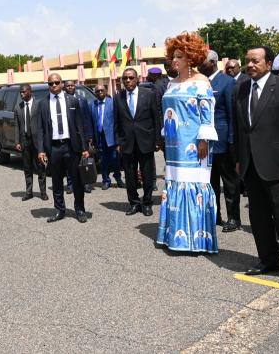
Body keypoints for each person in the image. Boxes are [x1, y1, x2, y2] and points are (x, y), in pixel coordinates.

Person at [234, 45, 279, 284]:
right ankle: (269, 260)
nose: (250, 65)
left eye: (255, 61)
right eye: (248, 60)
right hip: (251, 166)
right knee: (259, 218)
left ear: (268, 63)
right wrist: (239, 159)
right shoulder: (241, 88)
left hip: (278, 165)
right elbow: (240, 128)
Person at [155, 33, 219, 253]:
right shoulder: (172, 83)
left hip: (194, 145)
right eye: (173, 56)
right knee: (175, 182)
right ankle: (173, 236)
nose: (174, 60)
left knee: (194, 185)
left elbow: (207, 114)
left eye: (179, 56)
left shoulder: (201, 82)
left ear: (191, 58)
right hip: (174, 145)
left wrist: (203, 140)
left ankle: (196, 240)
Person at [33, 73, 90, 223]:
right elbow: (40, 129)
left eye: (56, 82)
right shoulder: (43, 104)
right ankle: (60, 210)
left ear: (62, 83)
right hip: (53, 148)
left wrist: (84, 147)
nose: (54, 85)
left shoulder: (72, 100)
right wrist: (41, 150)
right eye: (50, 83)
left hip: (71, 146)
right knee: (57, 181)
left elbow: (79, 125)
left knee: (77, 180)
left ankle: (80, 209)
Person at [198, 50, 240, 232]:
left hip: (222, 141)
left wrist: (232, 141)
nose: (199, 64)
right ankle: (215, 215)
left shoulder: (227, 82)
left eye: (203, 61)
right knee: (210, 182)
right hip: (204, 142)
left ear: (213, 62)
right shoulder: (199, 82)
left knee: (229, 182)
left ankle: (233, 218)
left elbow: (232, 114)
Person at [115, 68, 161, 216]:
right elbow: (115, 122)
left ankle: (147, 203)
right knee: (130, 175)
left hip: (145, 140)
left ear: (137, 79)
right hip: (127, 142)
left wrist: (157, 140)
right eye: (125, 78)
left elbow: (156, 118)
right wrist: (117, 142)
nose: (128, 81)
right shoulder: (118, 97)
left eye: (131, 78)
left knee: (147, 174)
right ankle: (134, 203)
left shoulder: (148, 94)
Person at [13, 84, 48, 201]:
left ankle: (43, 192)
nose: (21, 94)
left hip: (37, 141)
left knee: (40, 167)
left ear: (30, 92)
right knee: (27, 168)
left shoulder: (39, 105)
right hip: (25, 141)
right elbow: (17, 125)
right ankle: (29, 192)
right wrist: (17, 141)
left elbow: (43, 123)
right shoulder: (18, 107)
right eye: (20, 92)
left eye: (23, 92)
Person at [64, 80, 94, 193]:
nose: (70, 87)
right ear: (64, 88)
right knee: (70, 161)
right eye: (68, 86)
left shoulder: (82, 99)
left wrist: (89, 135)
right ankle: (70, 184)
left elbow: (87, 118)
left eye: (72, 85)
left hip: (83, 135)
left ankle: (86, 183)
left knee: (84, 160)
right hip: (69, 136)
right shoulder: (62, 100)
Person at [91, 84, 123, 189]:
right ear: (95, 93)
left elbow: (118, 120)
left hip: (111, 136)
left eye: (102, 90)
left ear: (105, 91)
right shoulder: (92, 105)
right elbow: (91, 122)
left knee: (115, 159)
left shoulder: (112, 102)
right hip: (99, 137)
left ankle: (118, 178)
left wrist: (119, 138)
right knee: (103, 160)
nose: (100, 92)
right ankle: (105, 180)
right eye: (97, 91)